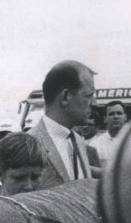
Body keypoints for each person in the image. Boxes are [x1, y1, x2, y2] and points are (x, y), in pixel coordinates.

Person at [27, 59, 97, 187]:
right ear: (65, 96)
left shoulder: (79, 142)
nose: (94, 103)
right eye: (88, 95)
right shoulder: (29, 145)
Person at [87, 100, 127, 168]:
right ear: (105, 119)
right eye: (111, 114)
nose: (116, 117)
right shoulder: (95, 145)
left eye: (119, 113)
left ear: (125, 117)